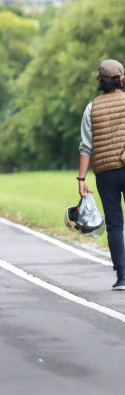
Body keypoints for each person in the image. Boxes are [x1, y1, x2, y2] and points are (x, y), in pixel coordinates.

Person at [78, 59, 125, 291]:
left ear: (100, 81)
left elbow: (86, 146)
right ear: (122, 80)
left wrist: (81, 179)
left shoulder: (91, 108)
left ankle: (122, 277)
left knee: (115, 225)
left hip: (106, 174)